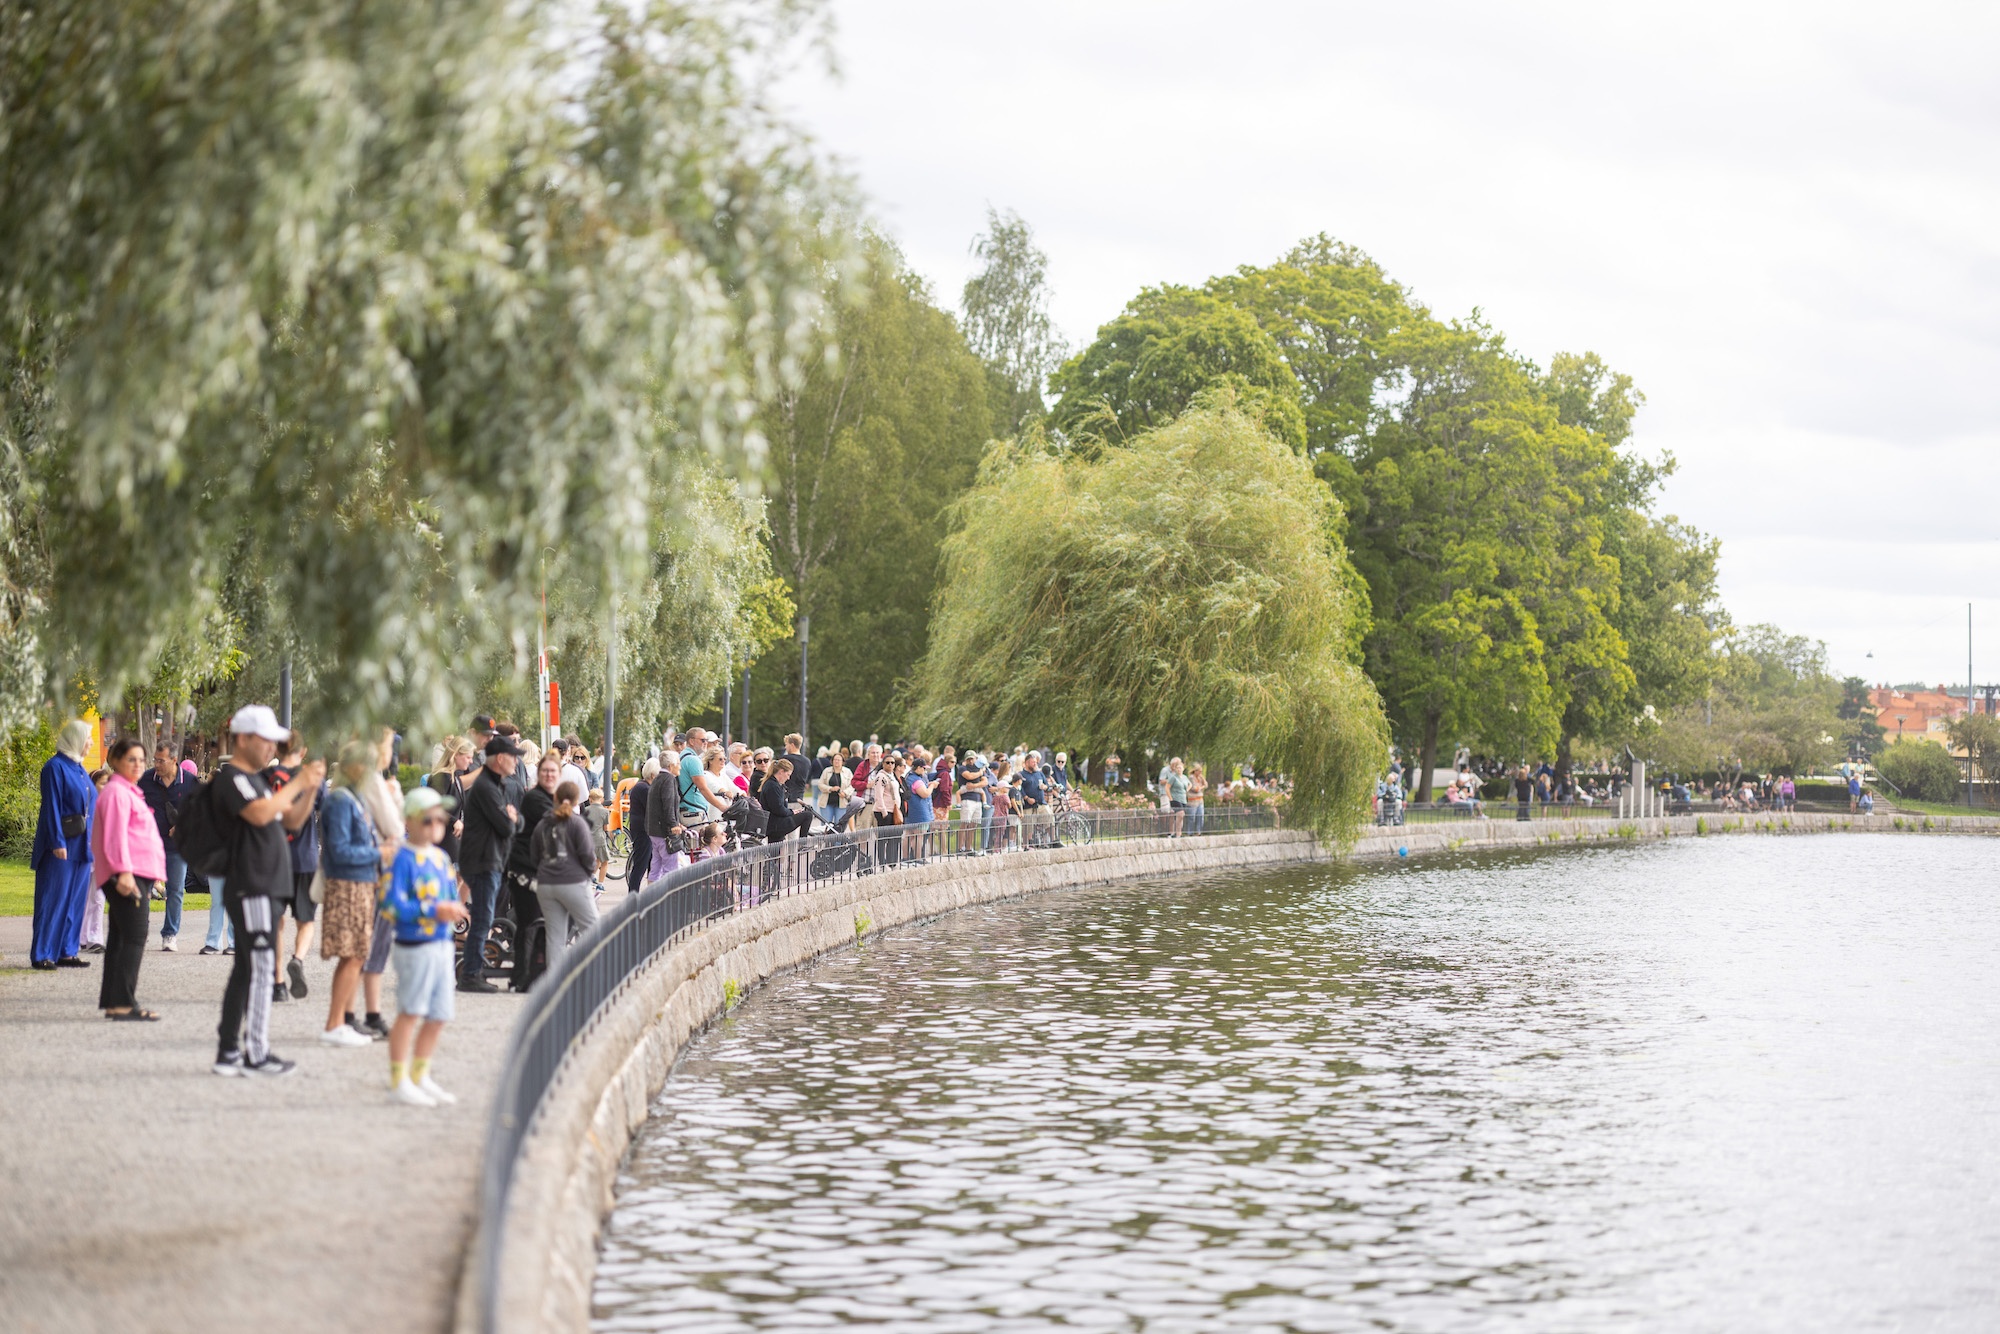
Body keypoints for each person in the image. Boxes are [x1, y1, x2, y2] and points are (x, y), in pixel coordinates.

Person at [211, 705, 324, 1078]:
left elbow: (290, 818)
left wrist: (308, 788)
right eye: (265, 740)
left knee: (246, 969)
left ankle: (229, 1050)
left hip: (264, 885)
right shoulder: (234, 779)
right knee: (261, 969)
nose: (271, 747)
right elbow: (260, 815)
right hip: (252, 885)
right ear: (243, 739)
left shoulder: (258, 779)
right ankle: (255, 1053)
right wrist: (296, 781)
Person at [381, 787, 470, 1107]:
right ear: (411, 821)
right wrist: (434, 911)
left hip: (441, 945)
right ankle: (398, 1078)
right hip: (414, 945)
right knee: (411, 1011)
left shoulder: (442, 857)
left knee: (439, 1014)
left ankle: (420, 1073)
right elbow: (391, 905)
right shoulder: (402, 858)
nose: (436, 825)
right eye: (428, 819)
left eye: (440, 819)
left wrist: (454, 909)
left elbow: (448, 895)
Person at [317, 738, 392, 1047]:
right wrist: (379, 853)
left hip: (361, 883)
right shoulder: (339, 800)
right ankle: (334, 1023)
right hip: (347, 884)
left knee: (356, 955)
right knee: (351, 955)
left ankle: (338, 1022)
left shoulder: (354, 798)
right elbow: (339, 850)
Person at [93, 738, 165, 1020]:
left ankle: (115, 1002)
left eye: (141, 760)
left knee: (122, 938)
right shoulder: (116, 793)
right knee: (135, 936)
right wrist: (123, 873)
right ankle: (123, 1002)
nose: (138, 765)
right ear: (116, 761)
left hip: (135, 872)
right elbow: (115, 836)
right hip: (127, 874)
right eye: (131, 759)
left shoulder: (128, 791)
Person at [455, 734, 524, 995]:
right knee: (483, 918)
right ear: (501, 759)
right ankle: (471, 974)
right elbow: (507, 826)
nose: (516, 763)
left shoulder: (496, 785)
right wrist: (513, 819)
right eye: (513, 758)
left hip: (489, 859)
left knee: (485, 916)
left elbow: (514, 823)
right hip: (483, 861)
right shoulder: (486, 787)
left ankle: (474, 970)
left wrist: (514, 819)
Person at [30, 719, 98, 971]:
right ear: (75, 739)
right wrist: (57, 841)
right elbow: (51, 807)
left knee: (75, 900)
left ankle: (67, 951)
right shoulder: (54, 767)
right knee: (53, 900)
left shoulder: (80, 769)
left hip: (82, 846)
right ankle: (42, 953)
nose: (90, 743)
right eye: (88, 738)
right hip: (61, 847)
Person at [267, 732, 323, 1006]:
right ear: (303, 752)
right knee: (306, 921)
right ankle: (297, 959)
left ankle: (277, 983)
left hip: (275, 859)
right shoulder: (311, 777)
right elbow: (326, 808)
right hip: (305, 858)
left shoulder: (267, 777)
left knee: (276, 924)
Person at [496, 754, 560, 989]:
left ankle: (534, 974)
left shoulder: (552, 797)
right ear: (539, 774)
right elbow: (555, 821)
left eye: (553, 772)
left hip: (538, 870)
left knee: (537, 924)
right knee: (529, 924)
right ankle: (523, 978)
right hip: (525, 870)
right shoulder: (536, 798)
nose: (549, 775)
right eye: (545, 771)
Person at [533, 781, 600, 969]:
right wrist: (587, 875)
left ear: (556, 798)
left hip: (546, 884)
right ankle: (594, 974)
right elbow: (588, 855)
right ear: (576, 800)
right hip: (573, 881)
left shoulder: (543, 823)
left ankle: (555, 982)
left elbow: (535, 854)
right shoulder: (577, 823)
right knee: (593, 929)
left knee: (555, 937)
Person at [138, 743, 198, 952]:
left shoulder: (189, 782)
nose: (156, 764)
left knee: (175, 890)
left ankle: (170, 934)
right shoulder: (146, 779)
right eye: (155, 759)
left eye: (160, 760)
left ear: (174, 760)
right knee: (143, 889)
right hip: (148, 845)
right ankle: (140, 932)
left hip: (176, 846)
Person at [425, 736, 476, 866]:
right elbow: (433, 806)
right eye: (468, 757)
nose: (471, 761)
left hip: (451, 841)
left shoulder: (456, 778)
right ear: (456, 755)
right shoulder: (442, 777)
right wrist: (454, 821)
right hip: (442, 841)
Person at [625, 760, 654, 893]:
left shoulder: (640, 786)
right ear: (653, 775)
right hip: (643, 830)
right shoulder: (644, 788)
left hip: (641, 828)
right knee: (641, 864)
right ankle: (633, 893)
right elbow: (652, 808)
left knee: (646, 862)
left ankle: (637, 893)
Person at [1019, 752, 1057, 847]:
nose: (1035, 764)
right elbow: (1019, 788)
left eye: (1036, 762)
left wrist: (1045, 787)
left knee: (1049, 818)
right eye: (1033, 762)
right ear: (1027, 763)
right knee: (1028, 826)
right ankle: (1026, 844)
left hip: (1041, 803)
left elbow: (1048, 786)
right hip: (1029, 805)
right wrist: (1026, 798)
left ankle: (1053, 840)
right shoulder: (1021, 774)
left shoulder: (1039, 773)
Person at [815, 752, 853, 829]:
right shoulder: (826, 771)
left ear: (843, 761)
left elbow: (852, 785)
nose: (837, 761)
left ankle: (837, 841)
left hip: (842, 803)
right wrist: (830, 788)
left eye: (839, 760)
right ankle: (826, 841)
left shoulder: (848, 772)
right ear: (832, 761)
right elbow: (820, 784)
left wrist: (845, 793)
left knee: (839, 826)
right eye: (835, 759)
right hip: (827, 803)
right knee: (826, 826)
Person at [583, 788, 611, 888]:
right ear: (602, 799)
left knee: (596, 859)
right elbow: (605, 828)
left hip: (588, 840)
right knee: (604, 862)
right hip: (600, 839)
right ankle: (600, 884)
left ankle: (591, 876)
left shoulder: (585, 810)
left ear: (590, 799)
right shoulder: (605, 812)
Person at [1165, 757, 1191, 836]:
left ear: (1183, 768)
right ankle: (1175, 832)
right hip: (1175, 798)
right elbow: (1167, 787)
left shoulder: (1185, 777)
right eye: (1177, 768)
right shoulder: (1173, 778)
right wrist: (1170, 798)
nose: (1179, 769)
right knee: (1180, 813)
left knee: (1181, 816)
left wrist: (1187, 790)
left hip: (1183, 798)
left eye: (1180, 768)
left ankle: (1179, 833)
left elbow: (1190, 784)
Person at [1188, 763, 1207, 835]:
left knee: (1200, 816)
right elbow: (1195, 789)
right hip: (1193, 800)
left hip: (1200, 800)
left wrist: (1202, 778)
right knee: (1192, 817)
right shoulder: (1191, 778)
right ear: (1195, 771)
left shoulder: (1199, 778)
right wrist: (1202, 787)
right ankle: (1190, 832)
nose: (1200, 773)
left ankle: (1198, 831)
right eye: (1199, 771)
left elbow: (1206, 784)